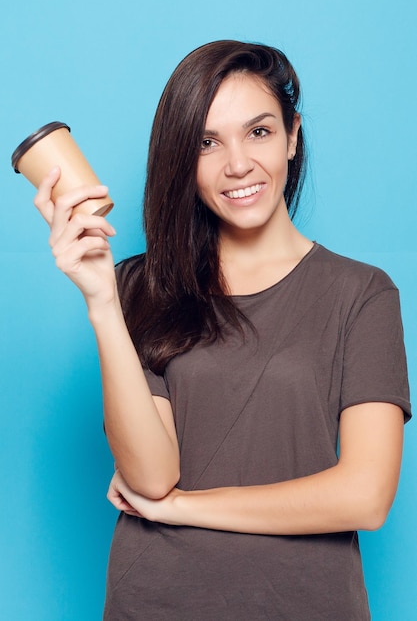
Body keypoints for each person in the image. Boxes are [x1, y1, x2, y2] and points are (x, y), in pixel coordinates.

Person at [34, 40, 411, 620]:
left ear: (293, 135)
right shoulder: (141, 285)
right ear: (183, 160)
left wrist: (187, 508)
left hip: (306, 605)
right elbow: (152, 480)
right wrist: (103, 302)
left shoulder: (361, 293)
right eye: (207, 143)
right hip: (156, 601)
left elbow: (365, 496)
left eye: (258, 132)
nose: (236, 164)